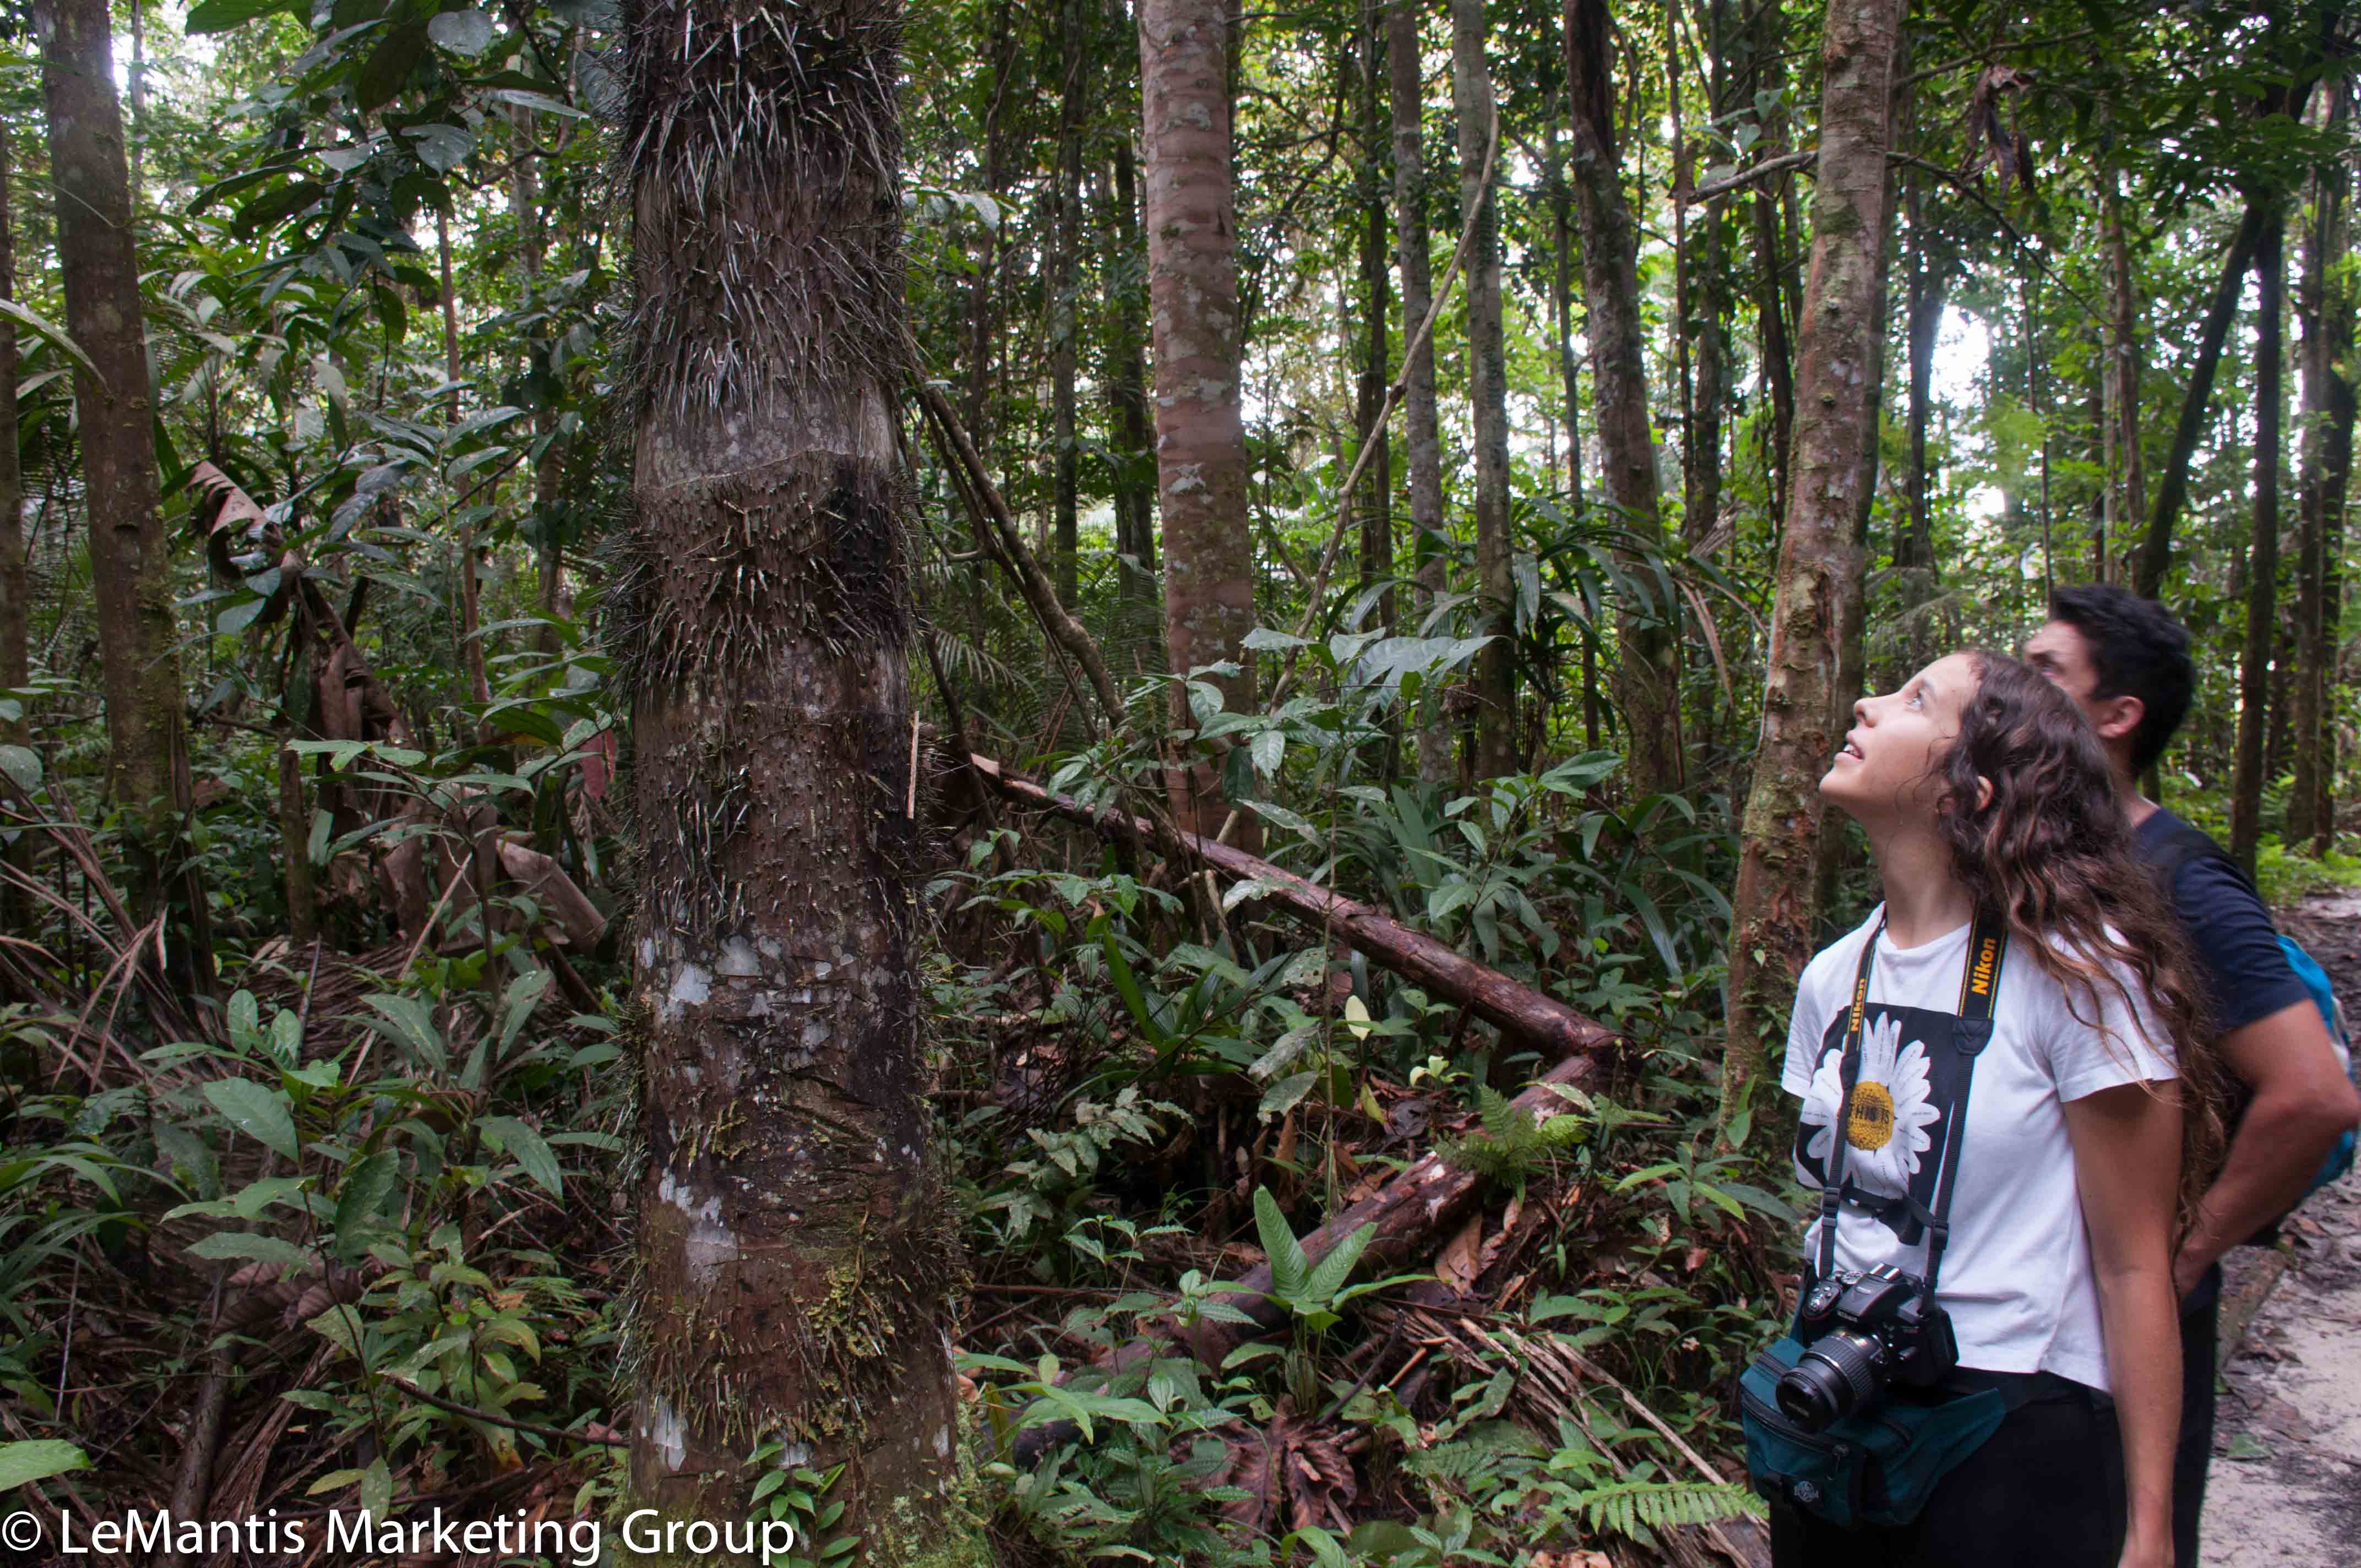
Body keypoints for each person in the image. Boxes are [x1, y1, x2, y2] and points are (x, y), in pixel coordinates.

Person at [1770, 651, 2222, 1568]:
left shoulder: (2084, 975)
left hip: (2018, 1430)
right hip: (1843, 1405)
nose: (1866, 702)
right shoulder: (1833, 975)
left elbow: (2134, 1267)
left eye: (1914, 699)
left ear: (1971, 786)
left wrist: (2151, 1529)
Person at [2026, 584, 2361, 1566]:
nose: (2017, 684)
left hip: (2136, 1308)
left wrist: (2182, 1256)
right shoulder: (2052, 863)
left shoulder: (2181, 878)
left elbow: (2316, 1094)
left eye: (2047, 672)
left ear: (2117, 716)